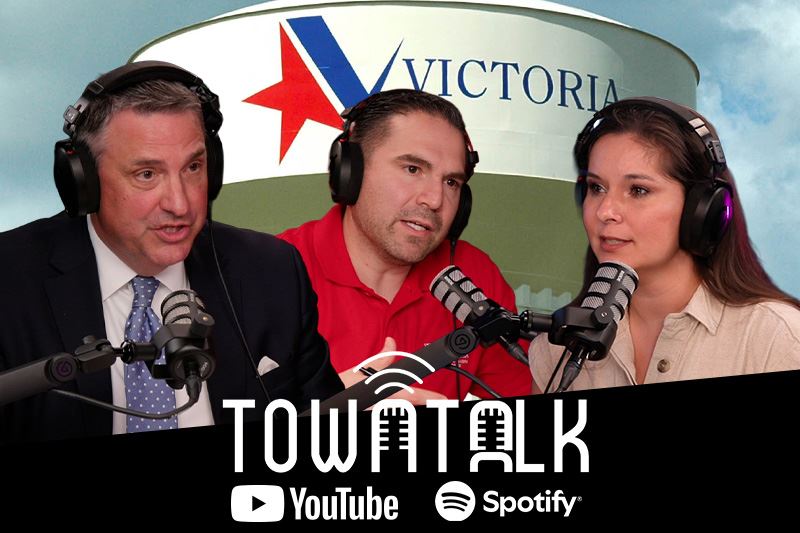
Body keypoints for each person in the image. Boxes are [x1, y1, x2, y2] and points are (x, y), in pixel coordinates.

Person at [0, 61, 343, 443]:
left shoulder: (272, 270)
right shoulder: (10, 279)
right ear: (84, 181)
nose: (180, 204)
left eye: (194, 167)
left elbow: (320, 432)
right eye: (147, 174)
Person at [529, 96, 800, 393]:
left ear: (702, 210)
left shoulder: (777, 338)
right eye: (596, 187)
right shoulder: (554, 351)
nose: (605, 211)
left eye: (638, 190)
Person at [279, 89, 531, 401]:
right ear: (351, 171)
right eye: (412, 169)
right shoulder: (272, 271)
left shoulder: (476, 277)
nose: (435, 199)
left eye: (451, 182)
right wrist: (322, 409)